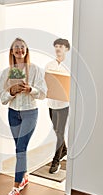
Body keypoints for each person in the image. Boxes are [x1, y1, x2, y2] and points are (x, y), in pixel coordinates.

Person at [0, 38, 47, 195]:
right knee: (20, 149)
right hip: (13, 113)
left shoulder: (35, 70)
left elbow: (43, 94)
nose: (19, 50)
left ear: (26, 50)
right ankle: (24, 177)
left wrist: (31, 89)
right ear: (12, 52)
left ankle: (15, 189)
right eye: (16, 48)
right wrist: (11, 92)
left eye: (22, 47)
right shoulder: (7, 72)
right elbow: (2, 98)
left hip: (29, 113)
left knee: (20, 149)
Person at [46, 38, 70, 174]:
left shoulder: (70, 66)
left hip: (64, 104)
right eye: (56, 46)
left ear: (66, 49)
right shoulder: (49, 65)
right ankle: (64, 150)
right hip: (51, 104)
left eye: (60, 46)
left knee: (60, 132)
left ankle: (56, 161)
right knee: (56, 130)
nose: (57, 48)